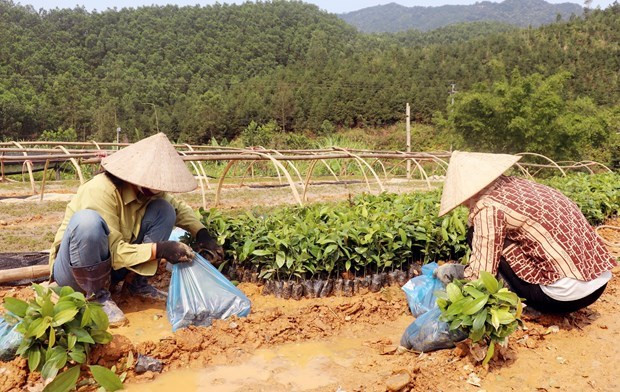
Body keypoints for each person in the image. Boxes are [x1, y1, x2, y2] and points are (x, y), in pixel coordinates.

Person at [49, 133, 224, 326]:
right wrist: (161, 249)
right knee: (87, 222)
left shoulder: (148, 192)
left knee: (164, 210)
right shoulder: (100, 190)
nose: (158, 188)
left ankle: (135, 285)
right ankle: (96, 297)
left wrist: (202, 233)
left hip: (110, 269)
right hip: (74, 271)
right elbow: (115, 252)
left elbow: (178, 209)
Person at [434, 151, 617, 314]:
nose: (464, 205)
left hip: (564, 297)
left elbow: (481, 273)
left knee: (474, 234)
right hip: (599, 283)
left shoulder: (488, 208)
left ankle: (512, 296)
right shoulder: (523, 186)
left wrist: (459, 286)